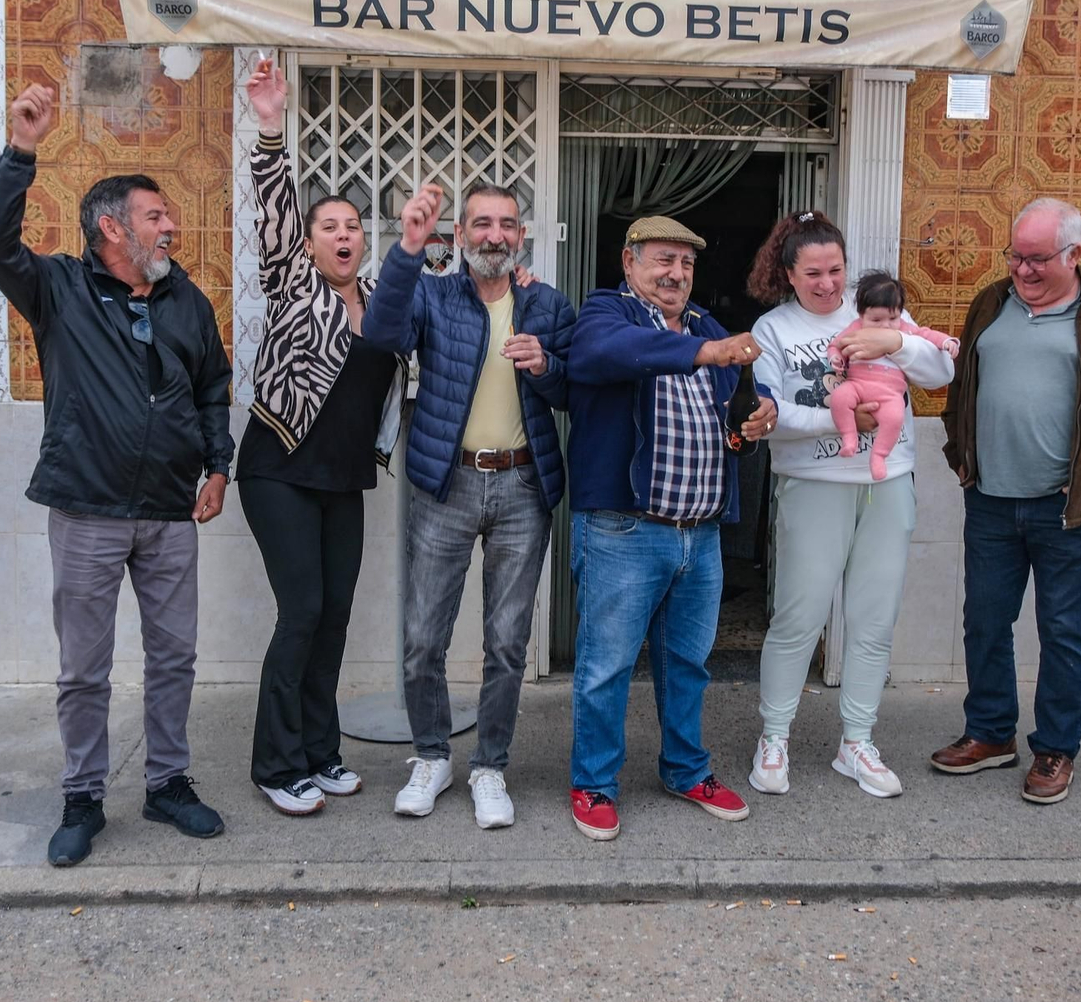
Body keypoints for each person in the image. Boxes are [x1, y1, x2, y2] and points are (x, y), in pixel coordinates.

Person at [0, 82, 231, 867]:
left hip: (168, 512)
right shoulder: (58, 289)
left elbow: (214, 385)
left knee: (175, 655)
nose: (173, 225)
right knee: (83, 668)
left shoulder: (187, 300)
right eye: (157, 215)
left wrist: (219, 464)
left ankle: (167, 783)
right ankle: (83, 795)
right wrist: (22, 151)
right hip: (86, 506)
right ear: (112, 226)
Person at [931, 197, 1081, 805]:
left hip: (1069, 508)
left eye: (1037, 259)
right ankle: (990, 734)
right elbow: (965, 385)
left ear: (1075, 255)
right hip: (989, 501)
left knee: (1065, 630)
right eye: (1016, 256)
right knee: (984, 622)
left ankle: (1055, 749)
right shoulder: (991, 301)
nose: (1023, 270)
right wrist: (961, 453)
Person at [359, 179, 576, 830]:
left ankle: (489, 766)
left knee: (508, 643)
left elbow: (573, 390)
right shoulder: (432, 293)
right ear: (460, 236)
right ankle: (431, 756)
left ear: (522, 235)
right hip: (444, 484)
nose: (494, 235)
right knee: (423, 639)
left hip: (521, 488)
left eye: (507, 224)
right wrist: (407, 247)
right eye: (481, 223)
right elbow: (380, 332)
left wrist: (547, 367)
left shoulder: (546, 304)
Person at [564, 215, 778, 841]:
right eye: (663, 260)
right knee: (606, 666)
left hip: (701, 532)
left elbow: (739, 411)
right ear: (630, 263)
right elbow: (599, 356)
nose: (675, 274)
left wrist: (755, 420)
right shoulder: (608, 314)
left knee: (687, 663)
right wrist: (704, 352)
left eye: (685, 264)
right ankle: (594, 784)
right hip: (625, 531)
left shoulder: (709, 325)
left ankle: (686, 770)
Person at [237, 58, 407, 817]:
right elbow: (273, 210)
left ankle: (319, 751)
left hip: (344, 477)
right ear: (307, 245)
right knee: (301, 608)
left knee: (333, 615)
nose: (344, 235)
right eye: (329, 227)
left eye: (352, 228)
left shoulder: (381, 302)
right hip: (278, 465)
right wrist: (271, 128)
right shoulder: (294, 282)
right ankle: (276, 764)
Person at [745, 217, 960, 799]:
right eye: (811, 273)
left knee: (873, 618)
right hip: (814, 480)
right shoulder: (773, 329)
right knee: (799, 617)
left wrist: (895, 341)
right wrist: (839, 420)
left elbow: (944, 370)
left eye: (835, 270)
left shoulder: (875, 312)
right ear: (787, 273)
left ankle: (857, 742)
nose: (826, 283)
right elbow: (767, 415)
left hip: (887, 481)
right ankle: (775, 737)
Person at [828, 270, 959, 482]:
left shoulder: (904, 329)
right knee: (839, 398)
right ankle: (849, 437)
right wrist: (836, 358)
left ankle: (879, 456)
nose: (886, 326)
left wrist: (946, 342)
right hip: (858, 385)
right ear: (861, 315)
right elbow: (836, 344)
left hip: (890, 394)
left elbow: (926, 334)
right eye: (876, 320)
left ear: (900, 313)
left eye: (892, 318)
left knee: (895, 417)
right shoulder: (855, 328)